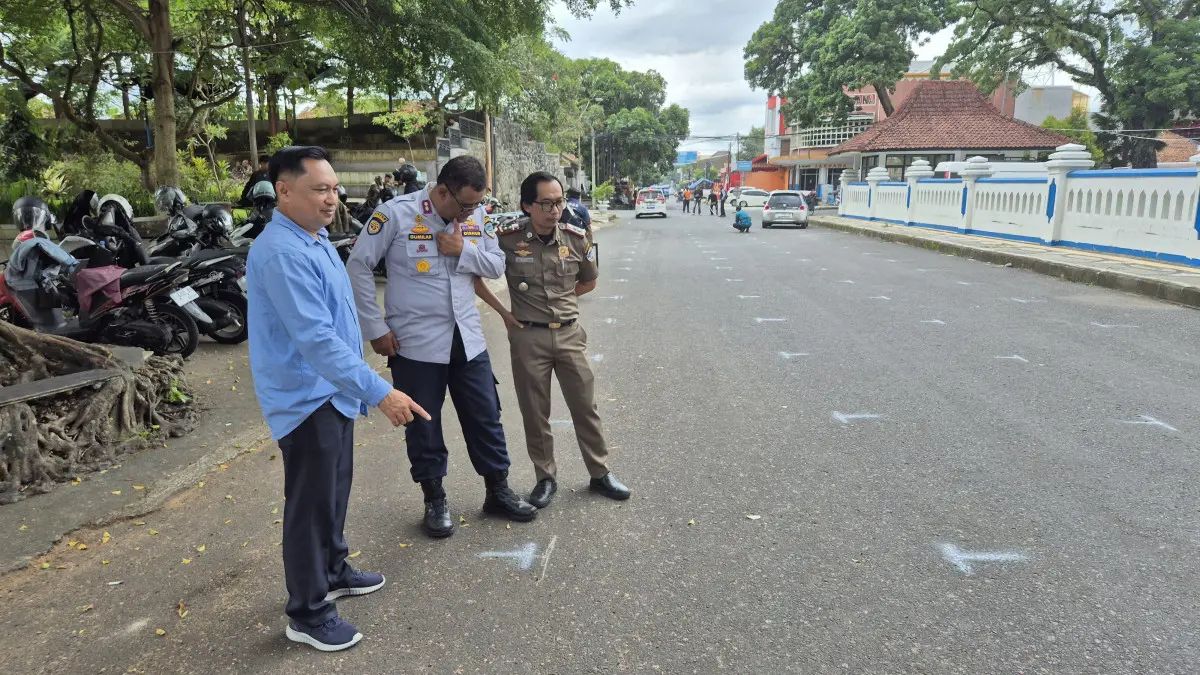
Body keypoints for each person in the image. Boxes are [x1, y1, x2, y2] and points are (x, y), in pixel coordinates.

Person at [245, 146, 430, 652]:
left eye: (333, 188)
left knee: (334, 490)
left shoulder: (315, 237)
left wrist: (359, 385)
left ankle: (333, 568)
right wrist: (381, 390)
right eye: (319, 190)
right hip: (305, 398)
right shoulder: (282, 252)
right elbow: (317, 339)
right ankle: (307, 611)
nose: (332, 199)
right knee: (309, 505)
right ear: (284, 192)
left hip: (333, 391)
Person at [345, 155, 537, 538]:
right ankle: (434, 498)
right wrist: (375, 328)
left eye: (476, 205)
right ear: (442, 190)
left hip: (467, 339)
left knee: (485, 416)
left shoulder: (475, 216)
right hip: (415, 344)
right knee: (423, 424)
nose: (470, 212)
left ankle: (497, 490)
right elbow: (359, 266)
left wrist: (462, 249)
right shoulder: (396, 214)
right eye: (464, 204)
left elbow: (497, 265)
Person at [478, 171, 631, 510]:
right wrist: (505, 314)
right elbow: (475, 275)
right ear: (526, 205)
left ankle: (600, 472)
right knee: (535, 412)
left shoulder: (576, 238)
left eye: (558, 202)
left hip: (569, 334)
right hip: (527, 337)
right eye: (546, 203)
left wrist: (562, 302)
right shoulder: (506, 238)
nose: (554, 210)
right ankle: (545, 478)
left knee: (585, 406)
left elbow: (589, 281)